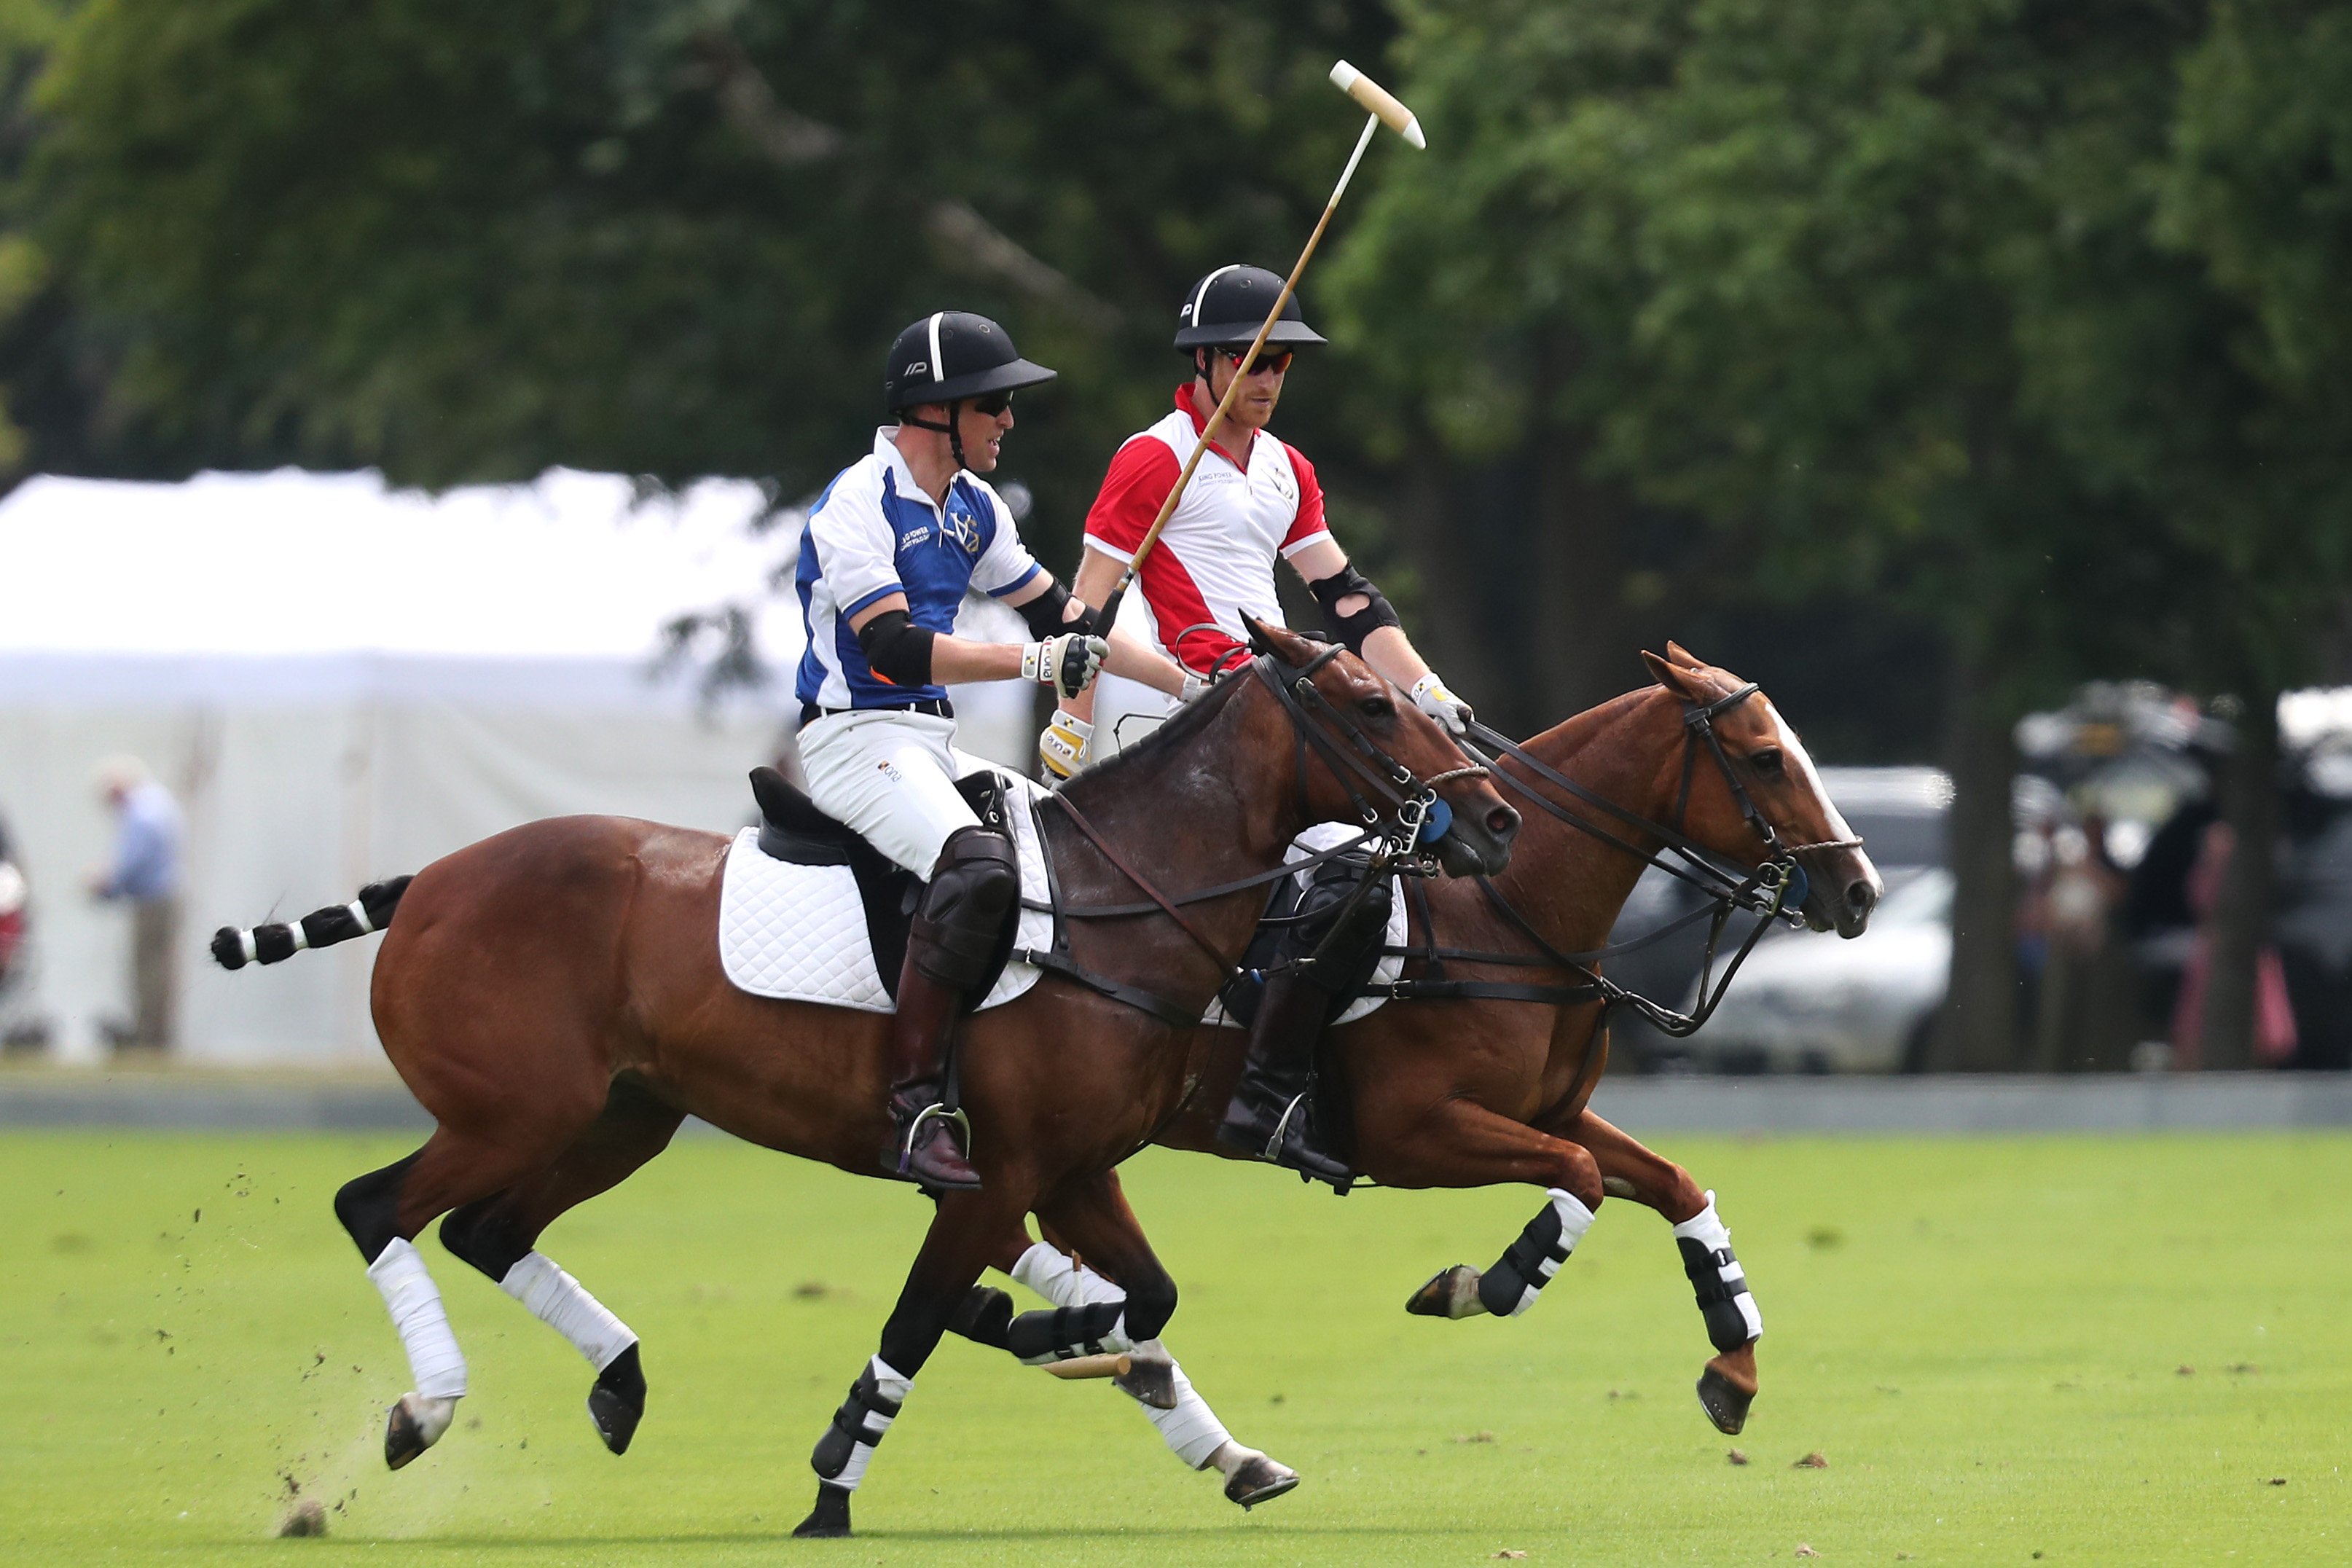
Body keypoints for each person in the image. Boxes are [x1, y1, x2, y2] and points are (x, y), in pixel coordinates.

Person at [1040, 265, 1477, 1183]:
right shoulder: (1155, 458)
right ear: (1203, 362)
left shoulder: (1287, 467)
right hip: (1196, 718)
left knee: (1405, 855)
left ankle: (1328, 1074)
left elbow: (1346, 598)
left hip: (1289, 707)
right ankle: (1265, 1096)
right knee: (1351, 871)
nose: (1271, 378)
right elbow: (1087, 603)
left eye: (1282, 361)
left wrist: (1427, 691)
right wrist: (1067, 723)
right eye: (1253, 360)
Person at [795, 310, 1184, 1191]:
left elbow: (1068, 624)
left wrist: (1193, 689)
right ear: (936, 410)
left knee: (1077, 849)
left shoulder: (974, 509)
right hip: (854, 738)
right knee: (976, 869)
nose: (1009, 420)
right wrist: (1032, 661)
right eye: (995, 403)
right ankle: (914, 1106)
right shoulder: (857, 501)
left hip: (929, 742)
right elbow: (892, 647)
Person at [86, 756, 184, 1054]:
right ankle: (156, 1035)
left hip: (153, 902)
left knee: (149, 971)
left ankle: (150, 1038)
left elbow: (130, 864)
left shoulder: (141, 814)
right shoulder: (158, 802)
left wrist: (103, 884)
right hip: (164, 897)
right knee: (159, 970)